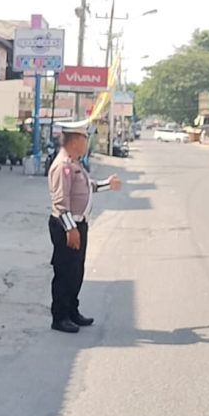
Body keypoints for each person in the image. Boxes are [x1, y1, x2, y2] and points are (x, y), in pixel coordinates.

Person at [48, 120, 122, 334]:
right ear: (75, 141)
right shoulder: (63, 166)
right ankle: (60, 316)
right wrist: (71, 229)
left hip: (79, 224)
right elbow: (60, 202)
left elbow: (87, 187)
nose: (87, 143)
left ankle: (72, 311)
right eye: (85, 139)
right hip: (66, 226)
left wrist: (108, 184)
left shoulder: (75, 163)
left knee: (76, 271)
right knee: (65, 271)